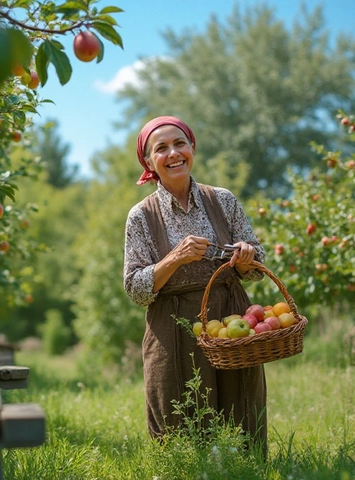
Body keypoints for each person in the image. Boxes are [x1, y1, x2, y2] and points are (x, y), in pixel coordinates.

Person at [123, 115, 267, 453]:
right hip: (173, 327)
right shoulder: (141, 216)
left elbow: (258, 265)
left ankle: (243, 473)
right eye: (161, 148)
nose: (173, 153)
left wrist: (248, 256)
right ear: (148, 161)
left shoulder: (223, 200)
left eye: (179, 144)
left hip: (232, 320)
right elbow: (134, 287)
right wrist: (175, 258)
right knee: (178, 418)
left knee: (241, 406)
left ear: (192, 148)